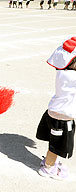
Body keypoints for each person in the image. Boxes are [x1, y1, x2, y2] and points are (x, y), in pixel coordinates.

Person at [36, 37, 76, 180]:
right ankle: (48, 168)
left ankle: (50, 161)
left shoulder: (65, 73)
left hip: (57, 114)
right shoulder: (71, 77)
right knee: (57, 146)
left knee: (55, 143)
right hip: (61, 118)